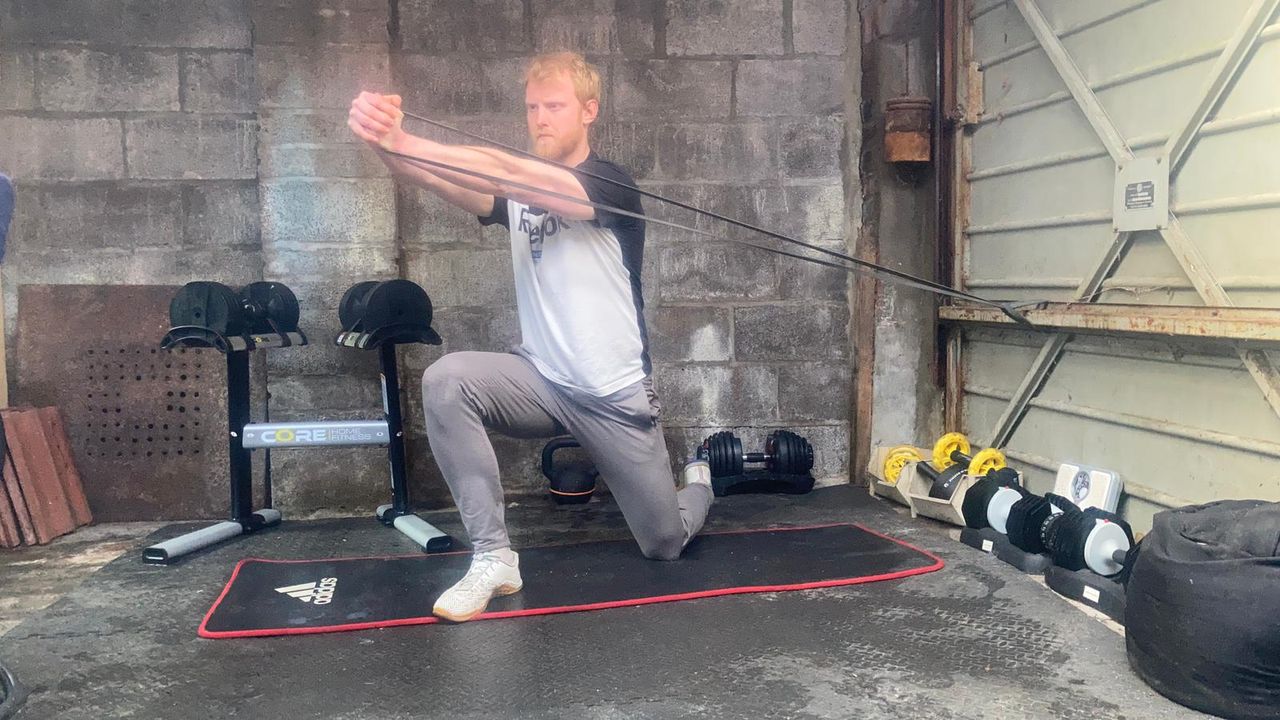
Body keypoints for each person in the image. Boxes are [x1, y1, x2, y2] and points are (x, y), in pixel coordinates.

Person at [348, 51, 714, 622]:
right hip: (541, 380)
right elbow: (426, 174)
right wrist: (383, 140)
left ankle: (700, 481)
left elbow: (514, 174)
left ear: (589, 110)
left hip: (614, 397)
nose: (541, 118)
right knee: (448, 380)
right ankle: (494, 558)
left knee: (665, 541)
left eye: (555, 106)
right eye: (532, 107)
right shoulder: (516, 196)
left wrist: (407, 138)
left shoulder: (608, 184)